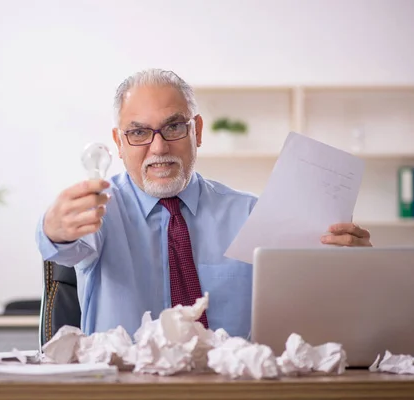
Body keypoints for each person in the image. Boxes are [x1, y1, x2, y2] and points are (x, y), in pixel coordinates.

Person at [36, 68, 372, 338]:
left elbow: (312, 300)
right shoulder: (99, 212)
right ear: (118, 143)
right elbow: (65, 248)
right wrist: (54, 229)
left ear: (196, 131)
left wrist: (348, 268)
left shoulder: (251, 215)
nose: (158, 147)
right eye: (138, 133)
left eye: (174, 127)